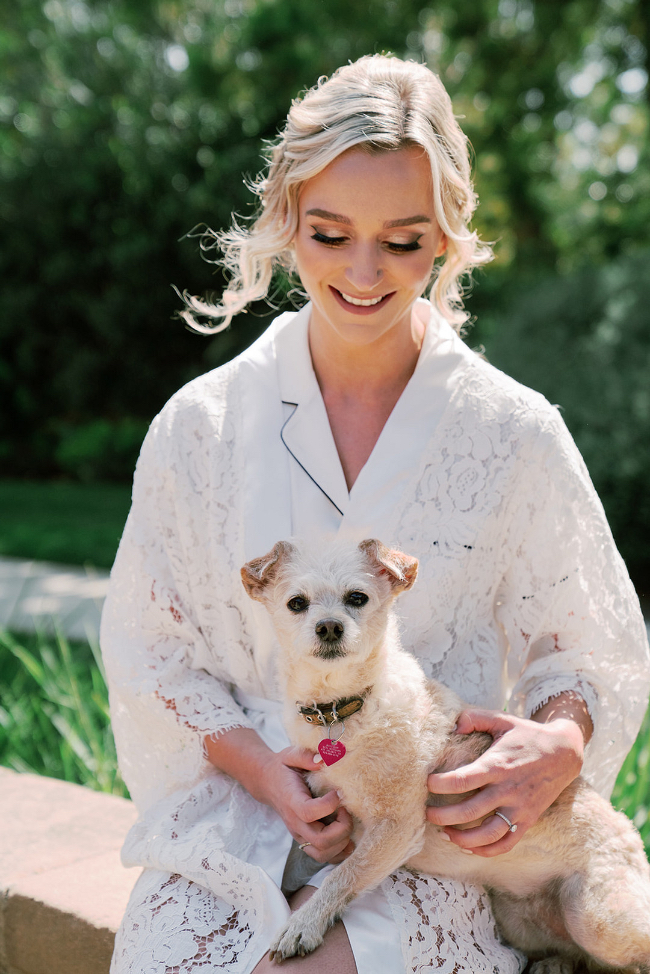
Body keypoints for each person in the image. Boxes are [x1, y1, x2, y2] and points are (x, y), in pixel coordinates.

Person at [101, 55, 650, 974]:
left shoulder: (513, 432)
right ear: (286, 219)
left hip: (438, 833)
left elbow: (587, 650)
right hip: (238, 815)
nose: (364, 272)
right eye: (329, 233)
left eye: (402, 240)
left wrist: (557, 742)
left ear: (447, 235)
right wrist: (267, 772)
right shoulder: (202, 426)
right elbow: (151, 650)